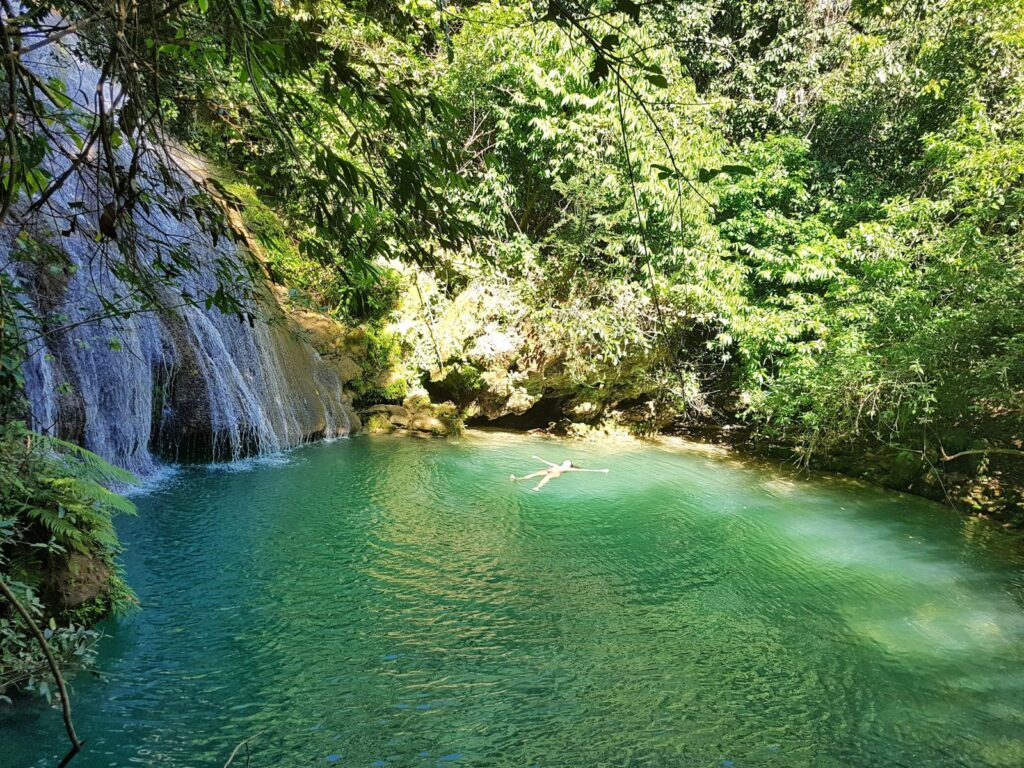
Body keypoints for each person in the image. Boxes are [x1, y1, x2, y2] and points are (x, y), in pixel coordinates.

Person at [510, 456, 609, 492]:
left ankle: (537, 488)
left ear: (569, 465)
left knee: (546, 478)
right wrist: (538, 458)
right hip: (550, 470)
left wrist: (601, 470)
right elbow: (547, 462)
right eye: (565, 461)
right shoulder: (558, 465)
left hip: (555, 473)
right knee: (534, 474)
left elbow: (584, 470)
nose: (565, 462)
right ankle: (517, 479)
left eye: (567, 463)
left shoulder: (568, 469)